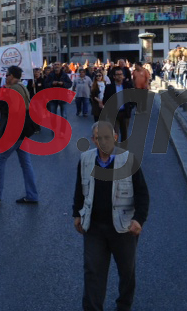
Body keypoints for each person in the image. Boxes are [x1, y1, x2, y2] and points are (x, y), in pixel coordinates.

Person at [72, 120, 149, 311]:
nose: (103, 142)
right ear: (93, 140)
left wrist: (138, 219)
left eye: (107, 137)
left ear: (115, 137)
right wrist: (76, 213)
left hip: (123, 227)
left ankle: (123, 306)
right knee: (93, 272)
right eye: (98, 138)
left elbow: (142, 193)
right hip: (94, 226)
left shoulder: (128, 160)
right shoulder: (85, 160)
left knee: (127, 272)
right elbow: (79, 189)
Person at [0, 66, 38, 203]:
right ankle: (32, 195)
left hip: (14, 132)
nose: (5, 77)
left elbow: (7, 107)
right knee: (26, 164)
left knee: (0, 159)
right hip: (23, 130)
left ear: (12, 76)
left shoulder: (14, 89)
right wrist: (1, 122)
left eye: (7, 75)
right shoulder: (22, 87)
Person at [102, 68, 134, 144]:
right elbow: (105, 100)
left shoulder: (128, 86)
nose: (119, 76)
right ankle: (115, 149)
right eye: (118, 74)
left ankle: (123, 149)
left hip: (125, 113)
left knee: (124, 133)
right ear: (114, 76)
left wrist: (130, 107)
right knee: (114, 133)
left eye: (121, 74)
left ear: (123, 76)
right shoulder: (109, 87)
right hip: (114, 114)